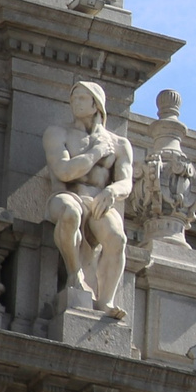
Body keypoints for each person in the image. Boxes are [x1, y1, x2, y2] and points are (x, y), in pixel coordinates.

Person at [42, 79, 135, 316]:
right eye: (73, 98)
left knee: (117, 238)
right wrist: (96, 153)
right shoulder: (57, 133)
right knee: (70, 212)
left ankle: (105, 301)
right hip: (64, 196)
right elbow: (64, 171)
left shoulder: (119, 143)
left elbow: (126, 182)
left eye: (82, 98)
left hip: (98, 201)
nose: (75, 102)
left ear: (96, 105)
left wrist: (112, 191)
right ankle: (75, 274)